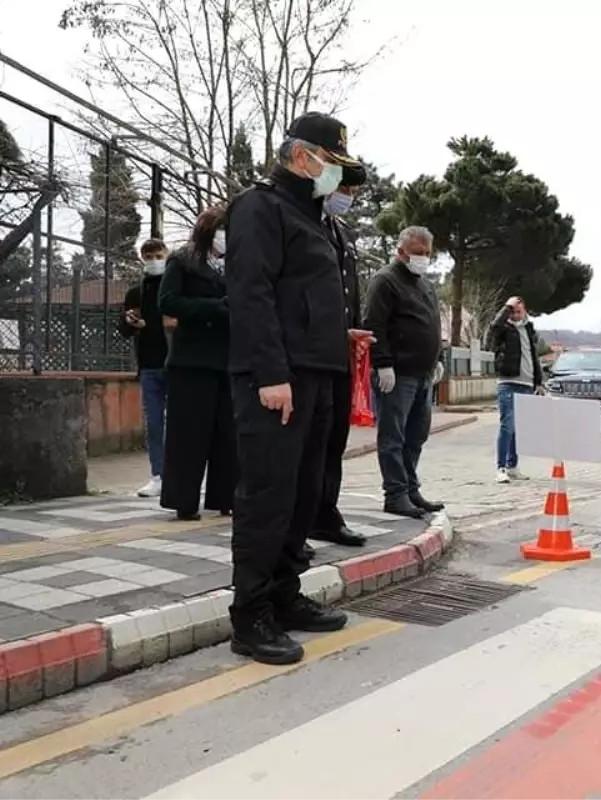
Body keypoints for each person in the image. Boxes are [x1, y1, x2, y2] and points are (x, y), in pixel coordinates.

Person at [225, 112, 367, 664]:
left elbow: (304, 298)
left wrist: (338, 333)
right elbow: (251, 293)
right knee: (267, 496)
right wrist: (270, 375)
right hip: (279, 379)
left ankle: (285, 595)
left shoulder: (314, 217)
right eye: (330, 163)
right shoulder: (261, 207)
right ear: (300, 155)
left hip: (318, 371)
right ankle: (250, 615)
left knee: (305, 492)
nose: (335, 175)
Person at [157, 208, 237, 521]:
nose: (226, 236)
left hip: (228, 359)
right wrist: (213, 308)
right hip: (192, 360)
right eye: (221, 229)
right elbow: (168, 301)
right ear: (207, 231)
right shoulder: (183, 260)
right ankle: (183, 498)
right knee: (188, 433)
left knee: (227, 433)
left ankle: (226, 495)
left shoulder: (238, 264)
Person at [309, 166, 372, 549]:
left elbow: (349, 293)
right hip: (311, 352)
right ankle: (295, 524)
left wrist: (356, 332)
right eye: (344, 186)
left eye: (353, 190)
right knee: (308, 446)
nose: (348, 195)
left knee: (334, 441)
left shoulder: (343, 232)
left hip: (340, 353)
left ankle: (325, 514)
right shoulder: (303, 223)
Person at [364, 225, 445, 519]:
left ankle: (410, 488)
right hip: (397, 374)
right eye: (417, 253)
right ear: (401, 252)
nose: (423, 258)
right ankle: (395, 494)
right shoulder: (385, 281)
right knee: (393, 437)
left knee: (416, 436)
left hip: (423, 374)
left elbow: (434, 325)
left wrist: (438, 358)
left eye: (427, 253)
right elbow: (375, 324)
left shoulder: (424, 285)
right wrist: (383, 364)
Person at [119, 239, 171, 498]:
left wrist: (149, 325)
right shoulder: (135, 292)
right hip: (149, 365)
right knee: (153, 424)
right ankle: (158, 475)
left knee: (179, 423)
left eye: (157, 255)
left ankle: (180, 472)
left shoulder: (174, 286)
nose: (153, 260)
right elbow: (124, 329)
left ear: (166, 254)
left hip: (175, 362)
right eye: (148, 255)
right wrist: (130, 322)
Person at [488, 296, 544, 484]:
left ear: (525, 311)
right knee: (507, 425)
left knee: (519, 429)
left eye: (518, 311)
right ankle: (501, 468)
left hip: (527, 385)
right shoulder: (504, 329)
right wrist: (506, 306)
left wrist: (539, 381)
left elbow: (533, 356)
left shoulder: (529, 329)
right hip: (508, 383)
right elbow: (494, 327)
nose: (516, 315)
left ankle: (513, 466)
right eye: (512, 311)